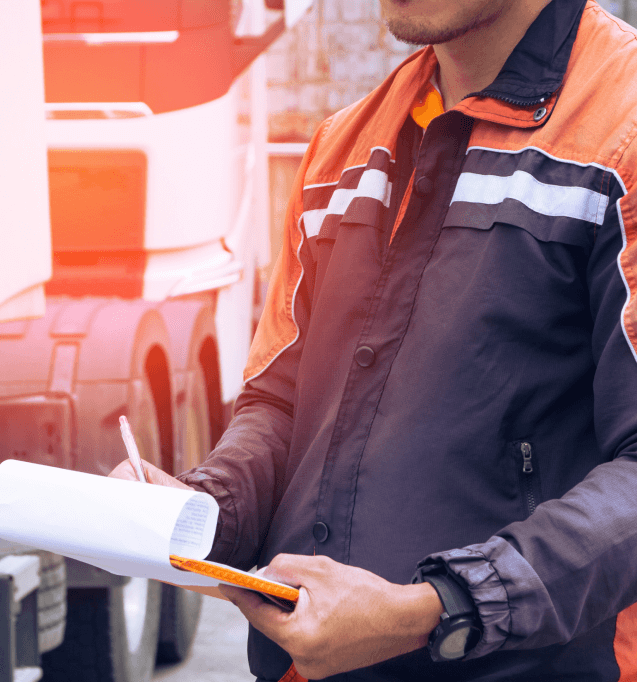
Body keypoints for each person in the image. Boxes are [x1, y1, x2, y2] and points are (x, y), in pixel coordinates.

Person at [109, 0, 637, 679]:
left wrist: (436, 609)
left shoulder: (620, 133)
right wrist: (202, 509)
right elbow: (283, 407)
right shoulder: (345, 149)